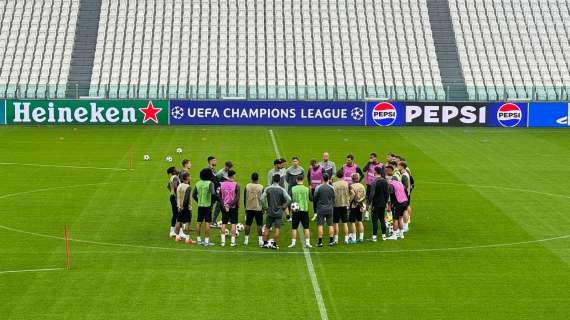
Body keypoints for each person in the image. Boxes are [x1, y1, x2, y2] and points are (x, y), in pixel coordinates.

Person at [260, 174, 291, 250]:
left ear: (273, 179)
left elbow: (261, 199)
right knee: (277, 228)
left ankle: (264, 243)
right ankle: (274, 244)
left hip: (270, 211)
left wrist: (265, 207)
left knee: (267, 227)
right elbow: (289, 199)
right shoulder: (282, 189)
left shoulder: (268, 188)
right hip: (279, 212)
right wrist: (284, 206)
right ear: (279, 180)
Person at [192, 168, 218, 246]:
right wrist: (217, 199)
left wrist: (198, 201)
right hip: (208, 206)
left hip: (200, 206)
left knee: (199, 222)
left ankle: (198, 240)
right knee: (207, 222)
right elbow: (213, 193)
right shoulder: (210, 183)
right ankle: (206, 241)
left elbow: (194, 195)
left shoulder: (198, 183)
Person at [386, 165, 408, 240]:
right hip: (404, 202)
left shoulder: (391, 185)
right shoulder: (400, 184)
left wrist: (389, 205)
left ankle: (394, 235)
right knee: (400, 218)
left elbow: (390, 195)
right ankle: (401, 234)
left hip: (397, 203)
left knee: (395, 219)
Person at [289, 175, 312, 248]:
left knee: (294, 227)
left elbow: (289, 198)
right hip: (305, 210)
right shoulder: (307, 189)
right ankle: (308, 243)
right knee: (306, 227)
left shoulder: (293, 189)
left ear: (296, 180)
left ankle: (293, 243)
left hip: (295, 211)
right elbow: (311, 199)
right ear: (303, 180)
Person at [368, 167, 390, 241]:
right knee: (382, 219)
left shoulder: (374, 182)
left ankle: (374, 237)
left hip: (376, 204)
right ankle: (384, 236)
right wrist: (386, 202)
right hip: (383, 203)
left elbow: (372, 194)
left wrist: (369, 203)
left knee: (375, 220)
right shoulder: (385, 181)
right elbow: (387, 193)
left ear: (376, 172)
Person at [219, 170, 240, 247]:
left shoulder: (222, 184)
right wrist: (230, 205)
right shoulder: (236, 185)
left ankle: (223, 242)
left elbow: (220, 196)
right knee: (233, 224)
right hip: (233, 207)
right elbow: (237, 198)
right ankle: (232, 242)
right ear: (233, 175)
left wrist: (224, 205)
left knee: (224, 223)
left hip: (224, 207)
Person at [314, 174, 336, 247]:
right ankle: (331, 241)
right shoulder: (332, 187)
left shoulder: (318, 187)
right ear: (328, 179)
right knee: (330, 225)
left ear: (322, 179)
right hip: (329, 208)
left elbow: (315, 198)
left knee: (320, 225)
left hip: (320, 209)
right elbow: (333, 197)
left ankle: (320, 242)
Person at [244, 172, 264, 247]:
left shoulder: (247, 186)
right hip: (258, 208)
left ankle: (246, 240)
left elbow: (245, 198)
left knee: (248, 224)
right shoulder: (261, 187)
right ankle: (260, 240)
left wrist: (245, 207)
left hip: (249, 208)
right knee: (259, 225)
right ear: (258, 178)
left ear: (251, 178)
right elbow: (263, 199)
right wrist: (264, 208)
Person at [211, 160, 233, 227]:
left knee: (228, 204)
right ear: (225, 166)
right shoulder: (220, 173)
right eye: (228, 167)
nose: (229, 169)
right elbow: (216, 183)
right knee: (218, 206)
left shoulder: (228, 171)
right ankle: (214, 221)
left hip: (227, 191)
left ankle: (229, 219)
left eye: (230, 168)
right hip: (221, 191)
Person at [175, 172, 194, 244]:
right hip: (186, 207)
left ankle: (177, 237)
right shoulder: (188, 187)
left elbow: (177, 196)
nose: (190, 177)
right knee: (187, 222)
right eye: (189, 176)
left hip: (179, 207)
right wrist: (184, 207)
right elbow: (186, 198)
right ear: (187, 178)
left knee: (178, 221)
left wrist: (180, 206)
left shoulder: (179, 186)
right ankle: (187, 239)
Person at [332, 170, 350, 244]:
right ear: (343, 175)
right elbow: (351, 193)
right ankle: (346, 238)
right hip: (344, 204)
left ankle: (336, 239)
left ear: (336, 176)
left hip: (336, 205)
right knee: (345, 222)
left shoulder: (334, 184)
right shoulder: (346, 184)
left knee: (336, 223)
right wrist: (348, 200)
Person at [285, 156, 304, 221]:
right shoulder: (288, 170)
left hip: (299, 188)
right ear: (292, 162)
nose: (295, 162)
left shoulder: (301, 169)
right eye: (293, 161)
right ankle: (288, 216)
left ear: (298, 162)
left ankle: (298, 215)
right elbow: (286, 179)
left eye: (296, 161)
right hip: (291, 187)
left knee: (299, 200)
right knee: (289, 200)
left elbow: (302, 177)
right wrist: (291, 183)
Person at [348, 173, 366, 243]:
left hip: (354, 205)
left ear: (352, 179)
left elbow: (352, 194)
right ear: (358, 178)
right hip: (361, 205)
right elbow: (365, 195)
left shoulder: (351, 186)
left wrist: (349, 202)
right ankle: (361, 238)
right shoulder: (362, 185)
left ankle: (354, 238)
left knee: (352, 222)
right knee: (360, 221)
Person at [398, 161, 413, 233]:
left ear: (402, 166)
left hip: (404, 195)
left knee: (404, 211)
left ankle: (405, 227)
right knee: (405, 210)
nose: (398, 167)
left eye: (399, 166)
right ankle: (405, 226)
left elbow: (405, 186)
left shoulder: (404, 175)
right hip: (406, 195)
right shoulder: (405, 174)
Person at [166, 166, 180, 238]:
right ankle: (176, 232)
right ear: (173, 171)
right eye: (176, 169)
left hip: (172, 197)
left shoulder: (172, 177)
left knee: (175, 214)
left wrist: (172, 193)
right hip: (175, 198)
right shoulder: (175, 177)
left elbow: (168, 186)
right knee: (177, 214)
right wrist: (177, 195)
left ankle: (172, 231)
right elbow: (175, 187)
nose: (177, 170)